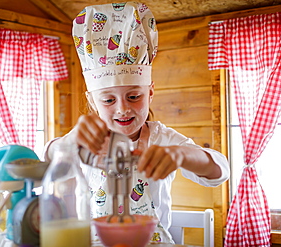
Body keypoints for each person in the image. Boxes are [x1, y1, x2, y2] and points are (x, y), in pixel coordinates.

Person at [43, 2, 229, 244]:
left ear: (150, 92)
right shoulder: (86, 140)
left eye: (134, 96)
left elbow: (220, 171)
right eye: (109, 99)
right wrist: (68, 141)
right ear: (92, 100)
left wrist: (181, 155)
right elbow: (47, 159)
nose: (123, 108)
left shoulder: (162, 139)